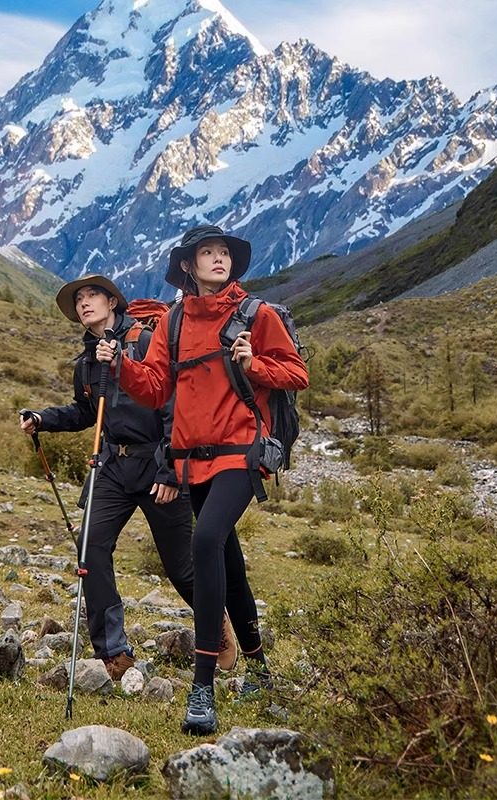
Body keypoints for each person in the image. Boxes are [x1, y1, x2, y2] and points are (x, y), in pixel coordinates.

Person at [96, 225, 309, 733]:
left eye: (224, 253)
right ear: (188, 267)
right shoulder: (172, 322)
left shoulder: (255, 315)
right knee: (228, 562)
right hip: (193, 462)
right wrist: (121, 364)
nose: (219, 259)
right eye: (207, 253)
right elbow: (153, 388)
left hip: (241, 453)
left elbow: (296, 373)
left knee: (207, 541)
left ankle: (202, 687)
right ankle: (259, 667)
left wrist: (255, 364)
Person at [20, 275, 237, 681]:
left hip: (158, 464)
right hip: (112, 467)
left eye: (92, 296)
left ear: (112, 301)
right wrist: (43, 419)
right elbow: (85, 413)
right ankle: (114, 653)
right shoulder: (86, 361)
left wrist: (173, 468)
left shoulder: (145, 341)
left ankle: (216, 625)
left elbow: (177, 405)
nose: (85, 303)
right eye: (79, 299)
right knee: (90, 549)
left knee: (183, 569)